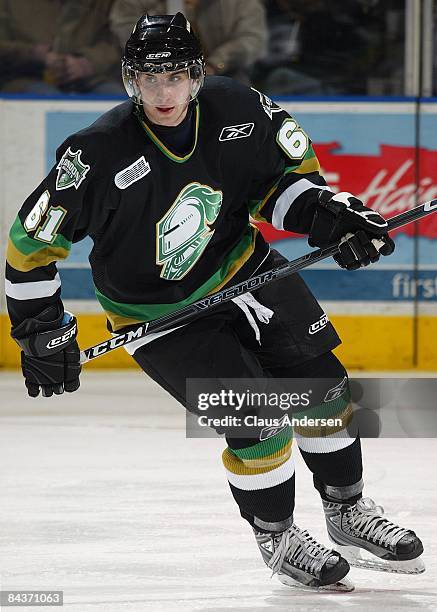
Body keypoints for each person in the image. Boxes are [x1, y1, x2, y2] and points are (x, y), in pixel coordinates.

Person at [5, 13, 424, 591]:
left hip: (244, 270)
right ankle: (277, 535)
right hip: (158, 314)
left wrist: (330, 216)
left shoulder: (241, 109)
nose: (162, 91)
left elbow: (282, 185)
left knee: (325, 391)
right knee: (257, 417)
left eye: (174, 75)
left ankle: (346, 512)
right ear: (130, 80)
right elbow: (30, 247)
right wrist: (39, 328)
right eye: (148, 77)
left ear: (197, 76)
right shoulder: (97, 152)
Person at [110, 0, 267, 83]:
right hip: (151, 73)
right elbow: (124, 29)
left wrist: (214, 64)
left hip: (225, 74)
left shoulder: (239, 3)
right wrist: (167, 14)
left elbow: (252, 40)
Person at [0, 0, 123, 94]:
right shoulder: (10, 4)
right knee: (47, 98)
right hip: (24, 77)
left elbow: (118, 42)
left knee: (118, 99)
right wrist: (33, 54)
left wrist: (89, 62)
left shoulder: (104, 3)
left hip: (91, 78)